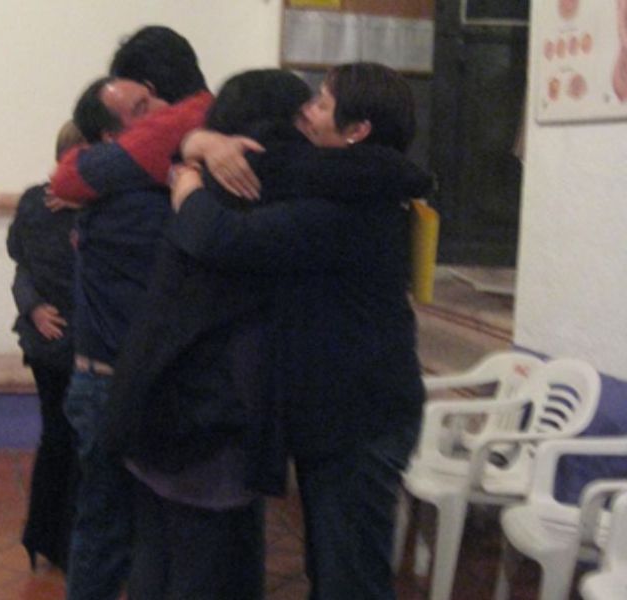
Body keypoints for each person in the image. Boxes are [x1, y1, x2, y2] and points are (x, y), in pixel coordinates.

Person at [132, 62, 432, 599]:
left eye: (320, 103)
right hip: (340, 416)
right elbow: (274, 168)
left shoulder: (351, 207)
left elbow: (221, 238)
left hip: (361, 420)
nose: (307, 115)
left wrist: (190, 183)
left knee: (350, 579)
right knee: (335, 565)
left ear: (357, 130)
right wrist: (201, 141)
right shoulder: (339, 180)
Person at [100, 69, 314, 600]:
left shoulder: (200, 180)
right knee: (202, 566)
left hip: (155, 390)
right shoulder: (268, 187)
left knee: (157, 552)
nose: (313, 119)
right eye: (307, 110)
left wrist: (191, 151)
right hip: (206, 410)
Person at [54, 26, 213, 600]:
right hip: (112, 385)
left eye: (152, 104)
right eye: (141, 111)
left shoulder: (124, 188)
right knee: (110, 531)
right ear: (111, 138)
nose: (160, 120)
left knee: (127, 530)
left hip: (131, 381)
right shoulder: (134, 201)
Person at [6, 120, 84, 571]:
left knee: (56, 435)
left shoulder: (34, 201)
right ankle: (71, 544)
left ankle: (43, 537)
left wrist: (34, 306)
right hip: (82, 344)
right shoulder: (103, 207)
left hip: (45, 342)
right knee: (78, 441)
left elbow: (19, 258)